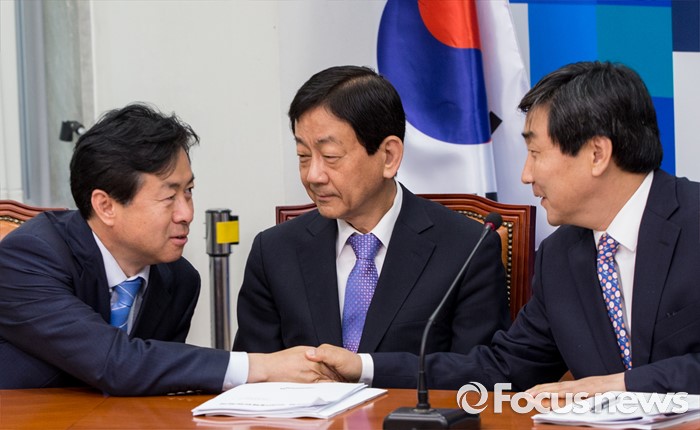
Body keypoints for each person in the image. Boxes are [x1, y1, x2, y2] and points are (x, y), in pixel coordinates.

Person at [306, 61, 700, 396]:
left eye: (535, 153)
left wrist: (622, 385)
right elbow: (503, 368)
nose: (526, 175)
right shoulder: (560, 256)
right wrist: (364, 367)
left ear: (597, 154)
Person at [0, 103, 331, 395]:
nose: (186, 213)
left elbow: (161, 378)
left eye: (188, 192)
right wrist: (261, 366)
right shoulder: (30, 257)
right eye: (169, 197)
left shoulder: (179, 280)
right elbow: (116, 363)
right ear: (106, 206)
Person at [232, 65, 510, 384]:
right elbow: (252, 378)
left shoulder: (466, 248)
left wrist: (366, 368)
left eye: (330, 156)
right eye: (303, 156)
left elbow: (481, 373)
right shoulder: (274, 251)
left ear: (388, 156)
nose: (313, 176)